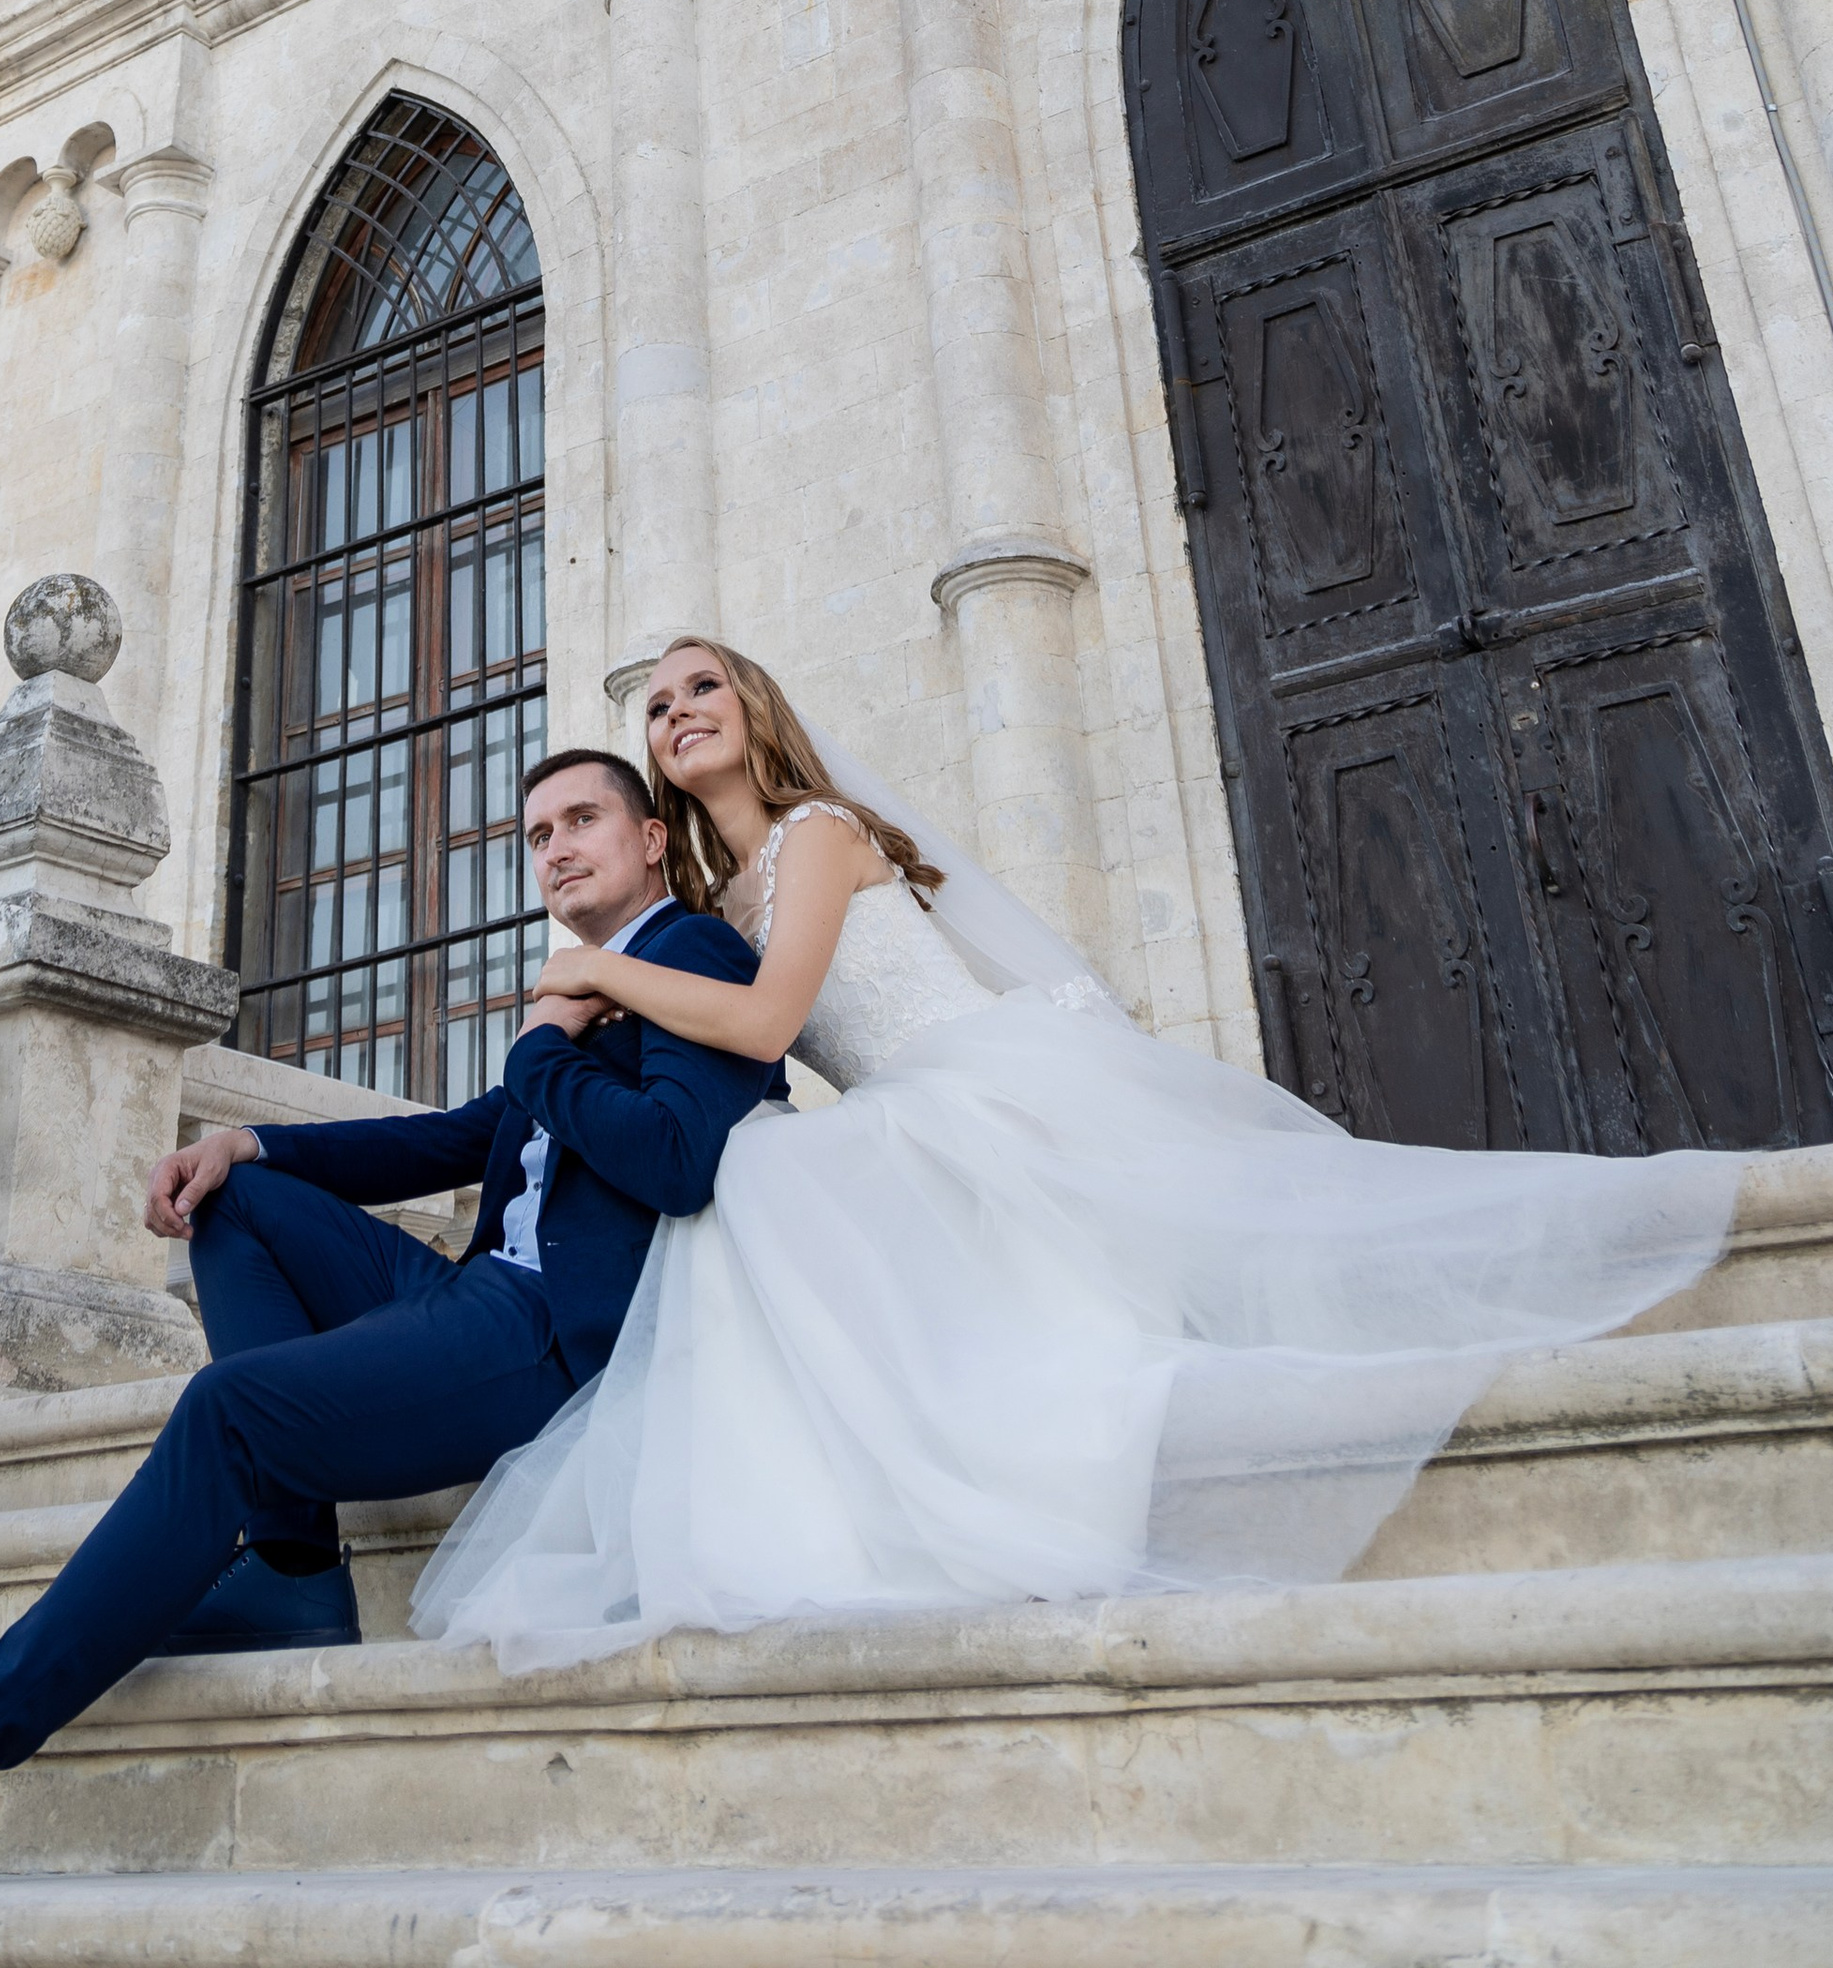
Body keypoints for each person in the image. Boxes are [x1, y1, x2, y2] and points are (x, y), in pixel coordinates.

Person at [410, 635, 1747, 1670]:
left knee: (775, 1188)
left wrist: (585, 981)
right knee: (765, 1196)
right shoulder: (709, 903)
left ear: (757, 710)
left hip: (970, 1089)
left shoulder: (817, 838)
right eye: (652, 705)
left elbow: (761, 1018)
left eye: (701, 685)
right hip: (899, 1122)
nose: (674, 709)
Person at [0, 743, 781, 1891]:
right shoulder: (588, 987)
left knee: (230, 1410)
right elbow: (451, 1139)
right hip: (475, 1287)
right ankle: (297, 1569)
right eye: (537, 834)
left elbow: (674, 1159)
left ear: (651, 838)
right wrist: (249, 1139)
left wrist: (546, 1044)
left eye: (582, 820)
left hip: (548, 1332)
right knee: (233, 1197)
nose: (555, 848)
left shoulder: (687, 956)